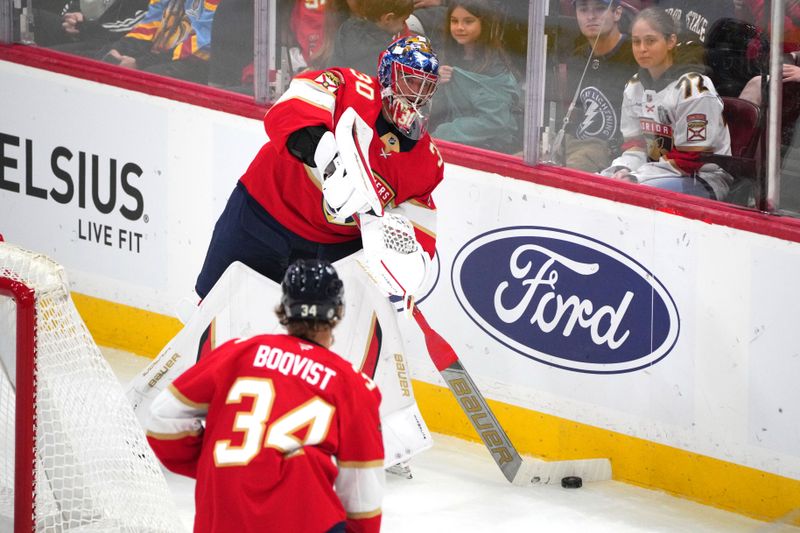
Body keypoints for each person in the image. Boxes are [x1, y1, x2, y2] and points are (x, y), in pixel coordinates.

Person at [195, 34, 443, 309]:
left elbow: (420, 245)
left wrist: (402, 263)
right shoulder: (348, 86)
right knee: (215, 313)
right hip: (261, 215)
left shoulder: (428, 163)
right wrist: (330, 162)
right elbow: (285, 112)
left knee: (315, 344)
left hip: (332, 254)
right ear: (387, 71)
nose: (416, 93)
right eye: (410, 79)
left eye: (425, 85)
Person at [146, 259, 384, 533]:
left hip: (222, 517)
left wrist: (218, 463)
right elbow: (362, 486)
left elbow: (164, 418)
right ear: (338, 313)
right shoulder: (354, 385)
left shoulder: (236, 353)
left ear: (283, 308)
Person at [600, 8, 733, 200]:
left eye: (650, 41)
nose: (642, 48)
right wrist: (622, 169)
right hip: (654, 173)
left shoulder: (694, 88)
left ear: (671, 41)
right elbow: (635, 146)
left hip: (704, 178)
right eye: (636, 42)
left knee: (633, 193)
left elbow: (690, 160)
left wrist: (637, 177)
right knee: (599, 181)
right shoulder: (634, 87)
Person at [428, 0, 522, 153]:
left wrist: (443, 133)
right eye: (454, 21)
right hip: (450, 145)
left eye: (468, 21)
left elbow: (494, 122)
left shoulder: (494, 69)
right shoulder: (446, 58)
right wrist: (435, 83)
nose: (459, 27)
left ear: (484, 24)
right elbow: (438, 108)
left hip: (489, 150)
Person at [559, 0, 638, 172]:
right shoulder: (576, 57)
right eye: (583, 9)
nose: (591, 16)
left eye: (600, 8)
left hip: (614, 151)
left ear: (617, 13)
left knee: (570, 172)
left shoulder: (635, 53)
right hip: (574, 144)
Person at [99, 0, 219, 84]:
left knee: (148, 77)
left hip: (199, 63)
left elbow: (200, 45)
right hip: (159, 56)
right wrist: (119, 49)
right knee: (104, 55)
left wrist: (139, 64)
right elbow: (149, 25)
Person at [328, 0, 415, 74]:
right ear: (388, 18)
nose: (403, 26)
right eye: (403, 20)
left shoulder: (346, 28)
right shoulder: (386, 53)